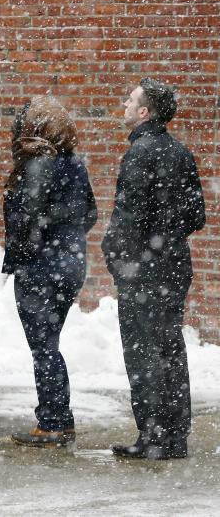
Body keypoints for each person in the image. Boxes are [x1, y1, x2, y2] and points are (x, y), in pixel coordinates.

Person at [103, 78, 205, 460]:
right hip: (175, 266)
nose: (126, 106)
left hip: (144, 272)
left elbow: (126, 219)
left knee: (144, 354)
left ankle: (153, 436)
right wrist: (167, 235)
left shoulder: (139, 154)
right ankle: (175, 434)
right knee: (170, 349)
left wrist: (118, 257)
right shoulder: (180, 152)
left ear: (145, 112)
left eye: (131, 102)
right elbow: (198, 215)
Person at [2, 98, 97, 448]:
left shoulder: (38, 164)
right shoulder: (75, 163)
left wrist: (30, 248)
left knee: (44, 348)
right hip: (71, 263)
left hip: (41, 267)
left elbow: (25, 220)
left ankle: (54, 421)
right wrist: (67, 239)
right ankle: (59, 417)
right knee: (50, 344)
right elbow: (90, 214)